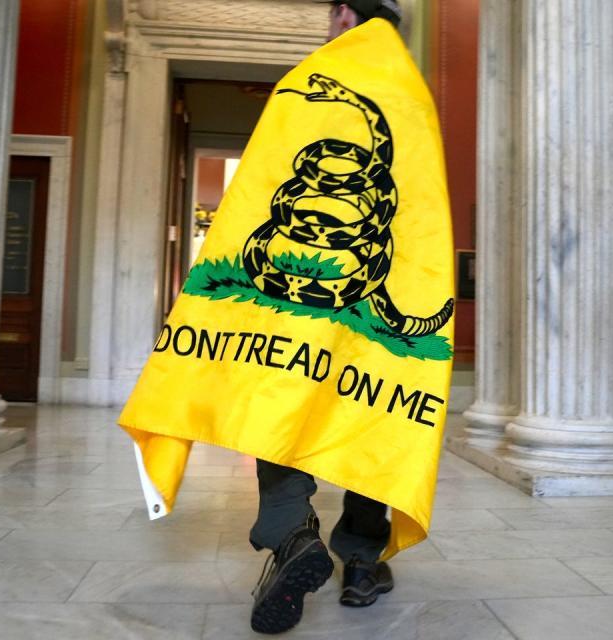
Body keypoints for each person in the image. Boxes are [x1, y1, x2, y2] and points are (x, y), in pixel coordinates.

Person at [247, 2, 406, 635]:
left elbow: (261, 184)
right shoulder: (409, 97)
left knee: (284, 402)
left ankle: (292, 534)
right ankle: (362, 561)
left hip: (293, 294)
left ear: (342, 13)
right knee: (375, 411)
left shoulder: (305, 88)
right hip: (371, 291)